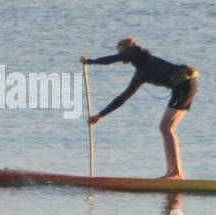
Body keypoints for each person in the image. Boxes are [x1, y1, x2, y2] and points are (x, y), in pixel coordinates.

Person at [82, 38, 199, 179]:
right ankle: (173, 172)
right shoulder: (139, 74)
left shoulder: (138, 53)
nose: (120, 56)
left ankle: (176, 173)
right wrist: (100, 115)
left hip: (185, 85)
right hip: (182, 88)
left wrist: (91, 62)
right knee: (167, 128)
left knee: (166, 128)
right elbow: (122, 98)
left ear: (127, 49)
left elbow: (113, 59)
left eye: (120, 51)